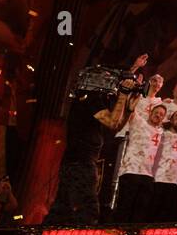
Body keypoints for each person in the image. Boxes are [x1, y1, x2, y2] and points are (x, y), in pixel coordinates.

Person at [46, 57, 146, 225]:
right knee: (88, 210)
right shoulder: (89, 99)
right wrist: (123, 94)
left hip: (80, 162)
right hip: (79, 163)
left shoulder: (93, 99)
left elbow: (116, 125)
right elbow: (113, 122)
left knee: (62, 209)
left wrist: (129, 108)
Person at [113, 98, 167, 222]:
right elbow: (130, 111)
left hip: (147, 175)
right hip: (131, 171)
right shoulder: (139, 122)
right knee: (124, 207)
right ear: (150, 112)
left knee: (140, 212)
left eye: (161, 115)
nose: (158, 115)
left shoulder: (161, 132)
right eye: (157, 112)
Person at [150, 109, 177, 220]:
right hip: (158, 178)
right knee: (153, 214)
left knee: (167, 217)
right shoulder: (162, 133)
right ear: (171, 120)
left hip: (173, 182)